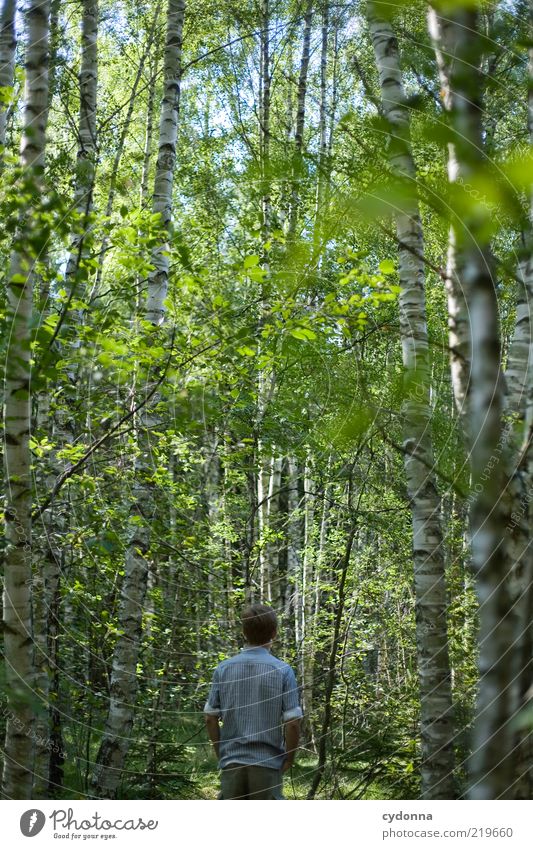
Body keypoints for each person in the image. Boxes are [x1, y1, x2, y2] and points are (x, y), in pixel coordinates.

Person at [204, 603, 303, 799]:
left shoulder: (223, 669)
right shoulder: (283, 671)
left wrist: (222, 753)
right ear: (274, 634)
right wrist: (289, 759)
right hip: (267, 764)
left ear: (244, 632)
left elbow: (210, 718)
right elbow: (292, 723)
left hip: (231, 763)